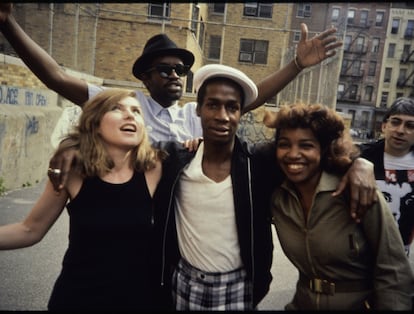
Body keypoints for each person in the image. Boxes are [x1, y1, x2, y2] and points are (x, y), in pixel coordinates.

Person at [149, 64, 378, 310]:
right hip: (183, 284)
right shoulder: (174, 159)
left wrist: (360, 163)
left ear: (240, 113)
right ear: (199, 109)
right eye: (213, 105)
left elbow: (316, 147)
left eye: (232, 107)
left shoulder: (256, 161)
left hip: (239, 288)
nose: (222, 116)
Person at [0, 3, 342, 144]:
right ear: (145, 78)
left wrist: (296, 65)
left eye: (180, 69)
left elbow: (250, 96)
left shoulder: (193, 117)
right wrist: (8, 23)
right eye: (164, 70)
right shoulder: (126, 107)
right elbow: (57, 79)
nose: (176, 75)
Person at [0, 88, 167, 310]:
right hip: (77, 297)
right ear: (95, 124)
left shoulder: (155, 168)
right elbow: (30, 230)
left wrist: (200, 142)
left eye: (136, 111)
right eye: (116, 108)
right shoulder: (73, 172)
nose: (130, 115)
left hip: (139, 300)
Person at [265, 102, 414, 310]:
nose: (293, 154)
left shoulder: (357, 190)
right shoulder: (278, 196)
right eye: (284, 144)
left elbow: (394, 271)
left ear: (324, 149)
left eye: (306, 145)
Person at [360, 97, 414, 257]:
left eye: (410, 126)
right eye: (395, 122)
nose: (400, 130)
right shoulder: (361, 156)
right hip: (359, 249)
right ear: (384, 126)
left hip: (399, 251)